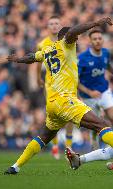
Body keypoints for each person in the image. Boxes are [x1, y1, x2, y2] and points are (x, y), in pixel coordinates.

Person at [4, 17, 113, 175]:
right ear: (67, 36)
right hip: (65, 100)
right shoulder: (65, 44)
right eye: (74, 37)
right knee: (101, 124)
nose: (76, 39)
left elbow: (32, 57)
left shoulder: (48, 50)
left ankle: (15, 166)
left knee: (44, 136)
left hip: (52, 103)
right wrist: (95, 23)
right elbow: (73, 31)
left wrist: (18, 59)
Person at [78, 28, 113, 148]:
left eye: (100, 38)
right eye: (95, 39)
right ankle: (94, 144)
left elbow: (109, 65)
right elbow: (75, 81)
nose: (98, 41)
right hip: (88, 96)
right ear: (90, 41)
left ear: (103, 40)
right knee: (96, 124)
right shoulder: (82, 58)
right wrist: (89, 92)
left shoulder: (106, 53)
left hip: (104, 91)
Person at [36, 15, 74, 160]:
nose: (53, 25)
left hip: (67, 84)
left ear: (60, 25)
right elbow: (37, 63)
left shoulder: (67, 42)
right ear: (47, 26)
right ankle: (55, 147)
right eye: (51, 23)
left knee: (71, 115)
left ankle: (68, 146)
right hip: (50, 85)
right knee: (53, 116)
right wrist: (38, 78)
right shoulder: (42, 44)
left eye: (56, 23)